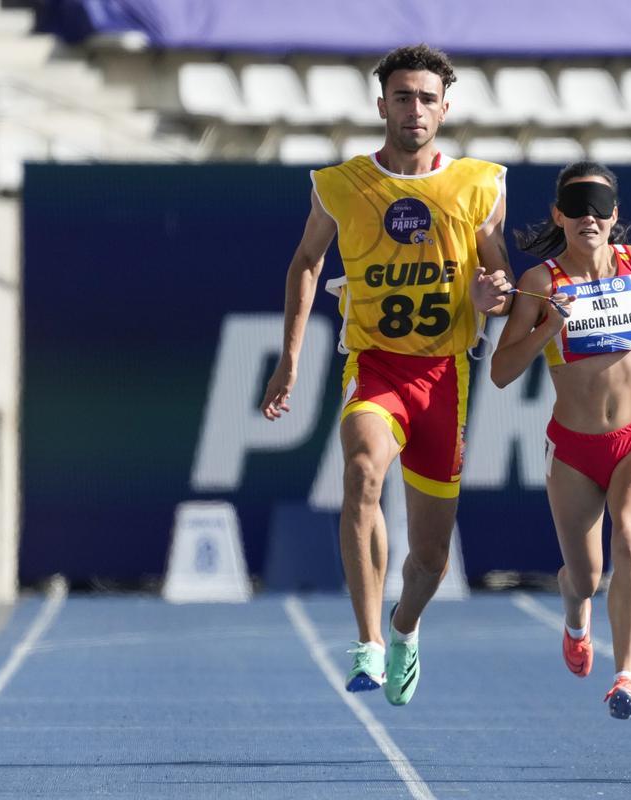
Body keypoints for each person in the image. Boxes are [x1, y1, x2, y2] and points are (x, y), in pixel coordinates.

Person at [259, 44, 513, 705]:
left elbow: (499, 277)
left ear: (445, 109)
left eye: (428, 98)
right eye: (403, 96)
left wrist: (494, 297)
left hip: (444, 378)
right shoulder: (340, 185)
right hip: (375, 367)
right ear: (382, 105)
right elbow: (305, 263)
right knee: (362, 471)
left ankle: (404, 625)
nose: (415, 108)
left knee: (430, 561)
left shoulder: (480, 185)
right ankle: (368, 639)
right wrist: (290, 357)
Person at [490, 162, 631, 718]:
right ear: (558, 215)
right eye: (576, 206)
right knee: (584, 576)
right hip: (574, 449)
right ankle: (574, 616)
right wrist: (547, 328)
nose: (589, 217)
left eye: (599, 207)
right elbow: (500, 371)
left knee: (630, 535)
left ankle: (627, 677)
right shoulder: (541, 283)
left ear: (614, 216)